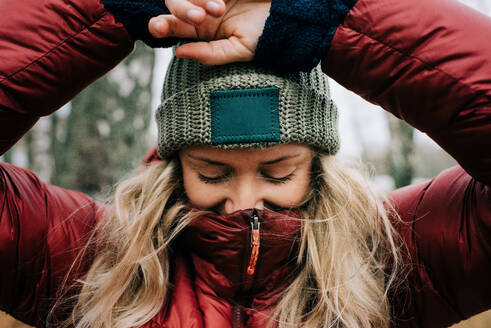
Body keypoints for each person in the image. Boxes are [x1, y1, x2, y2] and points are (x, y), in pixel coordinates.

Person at [0, 0, 489, 327]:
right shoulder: (86, 257)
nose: (244, 201)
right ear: (175, 164)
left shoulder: (394, 257)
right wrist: (98, 12)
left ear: (317, 163)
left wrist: (334, 22)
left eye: (279, 172)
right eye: (212, 173)